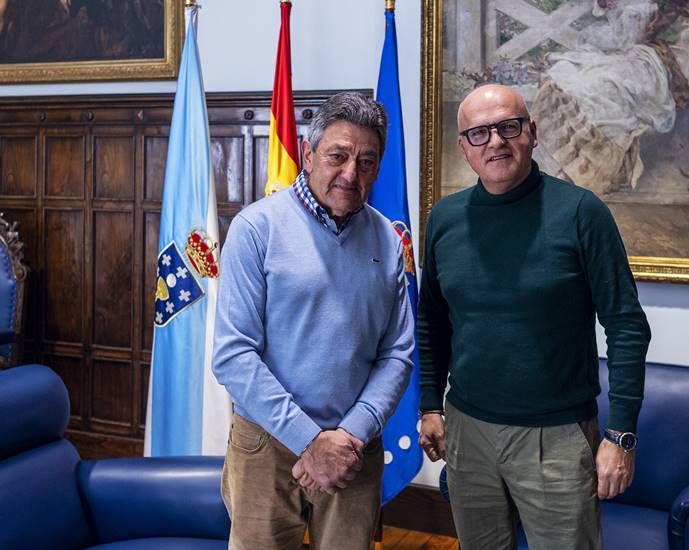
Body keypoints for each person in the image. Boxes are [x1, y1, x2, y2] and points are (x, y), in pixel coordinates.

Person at [418, 84, 651, 549]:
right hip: (468, 431)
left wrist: (621, 434)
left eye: (509, 126)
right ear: (464, 147)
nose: (496, 142)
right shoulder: (444, 219)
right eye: (479, 133)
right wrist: (429, 405)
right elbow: (432, 321)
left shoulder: (582, 213)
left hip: (558, 439)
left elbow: (626, 325)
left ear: (532, 133)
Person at [212, 92, 414, 550]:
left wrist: (349, 436)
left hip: (352, 449)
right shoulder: (255, 229)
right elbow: (233, 355)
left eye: (366, 162)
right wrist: (309, 440)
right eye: (338, 156)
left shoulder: (388, 237)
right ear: (308, 152)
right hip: (266, 445)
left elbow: (397, 354)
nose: (350, 173)